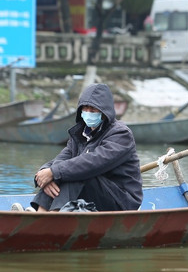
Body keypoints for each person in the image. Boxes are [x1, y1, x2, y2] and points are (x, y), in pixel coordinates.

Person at [13, 83, 143, 212]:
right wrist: (45, 173)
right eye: (85, 109)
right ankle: (41, 214)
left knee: (76, 173)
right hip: (94, 191)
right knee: (62, 172)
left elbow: (92, 163)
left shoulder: (120, 134)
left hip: (122, 200)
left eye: (93, 111)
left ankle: (51, 217)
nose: (88, 113)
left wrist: (54, 172)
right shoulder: (80, 134)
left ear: (104, 113)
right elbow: (61, 159)